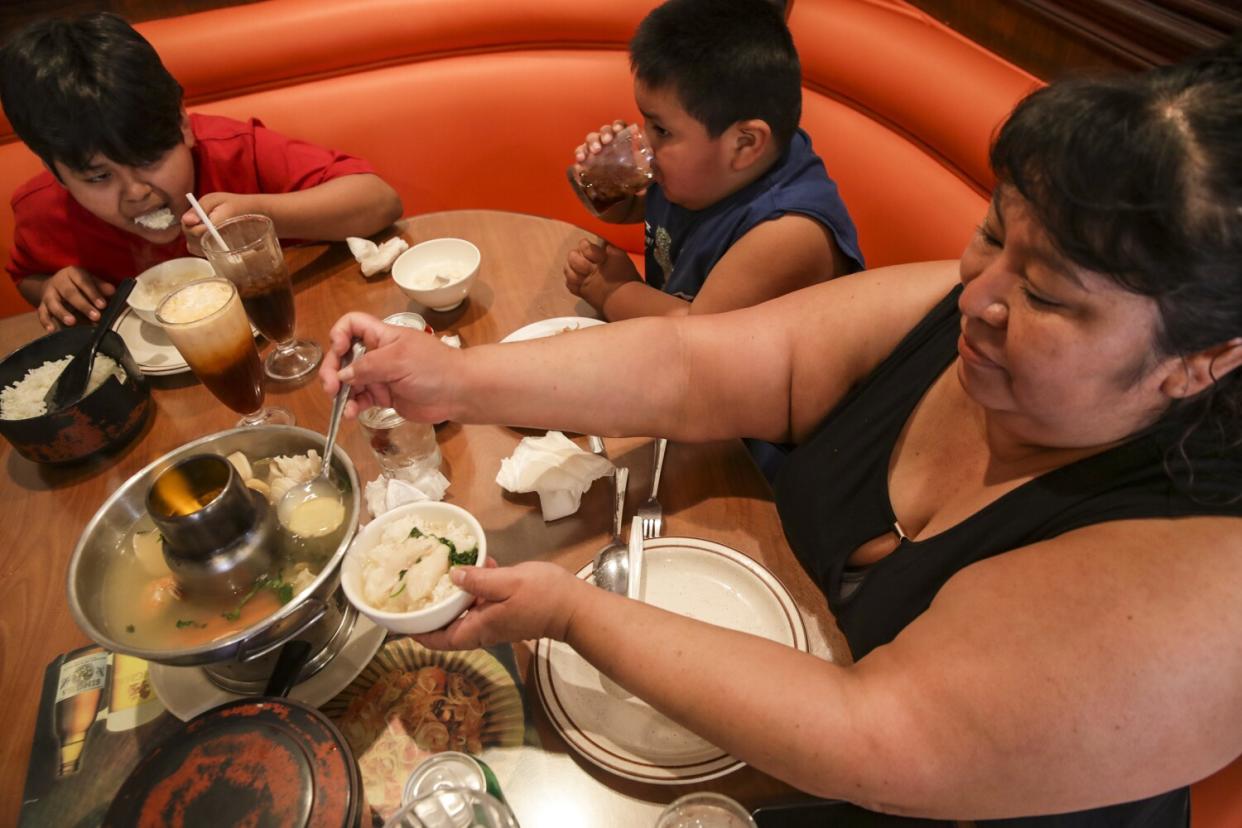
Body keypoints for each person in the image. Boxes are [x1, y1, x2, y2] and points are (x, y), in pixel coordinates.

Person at [321, 43, 1242, 825]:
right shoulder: (953, 314)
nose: (978, 296)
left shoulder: (1207, 581)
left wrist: (570, 611)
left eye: (1044, 296)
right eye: (991, 233)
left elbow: (878, 733)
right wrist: (448, 378)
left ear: (1202, 359)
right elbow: (703, 366)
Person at [0, 12, 403, 332]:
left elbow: (380, 202)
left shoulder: (234, 151)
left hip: (293, 335)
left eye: (148, 159)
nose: (136, 192)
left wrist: (262, 215)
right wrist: (51, 289)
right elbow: (27, 277)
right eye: (98, 178)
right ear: (55, 172)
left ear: (183, 124)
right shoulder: (43, 211)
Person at [563, 0, 864, 322]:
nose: (644, 139)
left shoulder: (786, 233)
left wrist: (613, 291)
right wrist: (607, 187)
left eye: (661, 129)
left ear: (744, 145)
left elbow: (701, 341)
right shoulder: (707, 173)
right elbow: (647, 212)